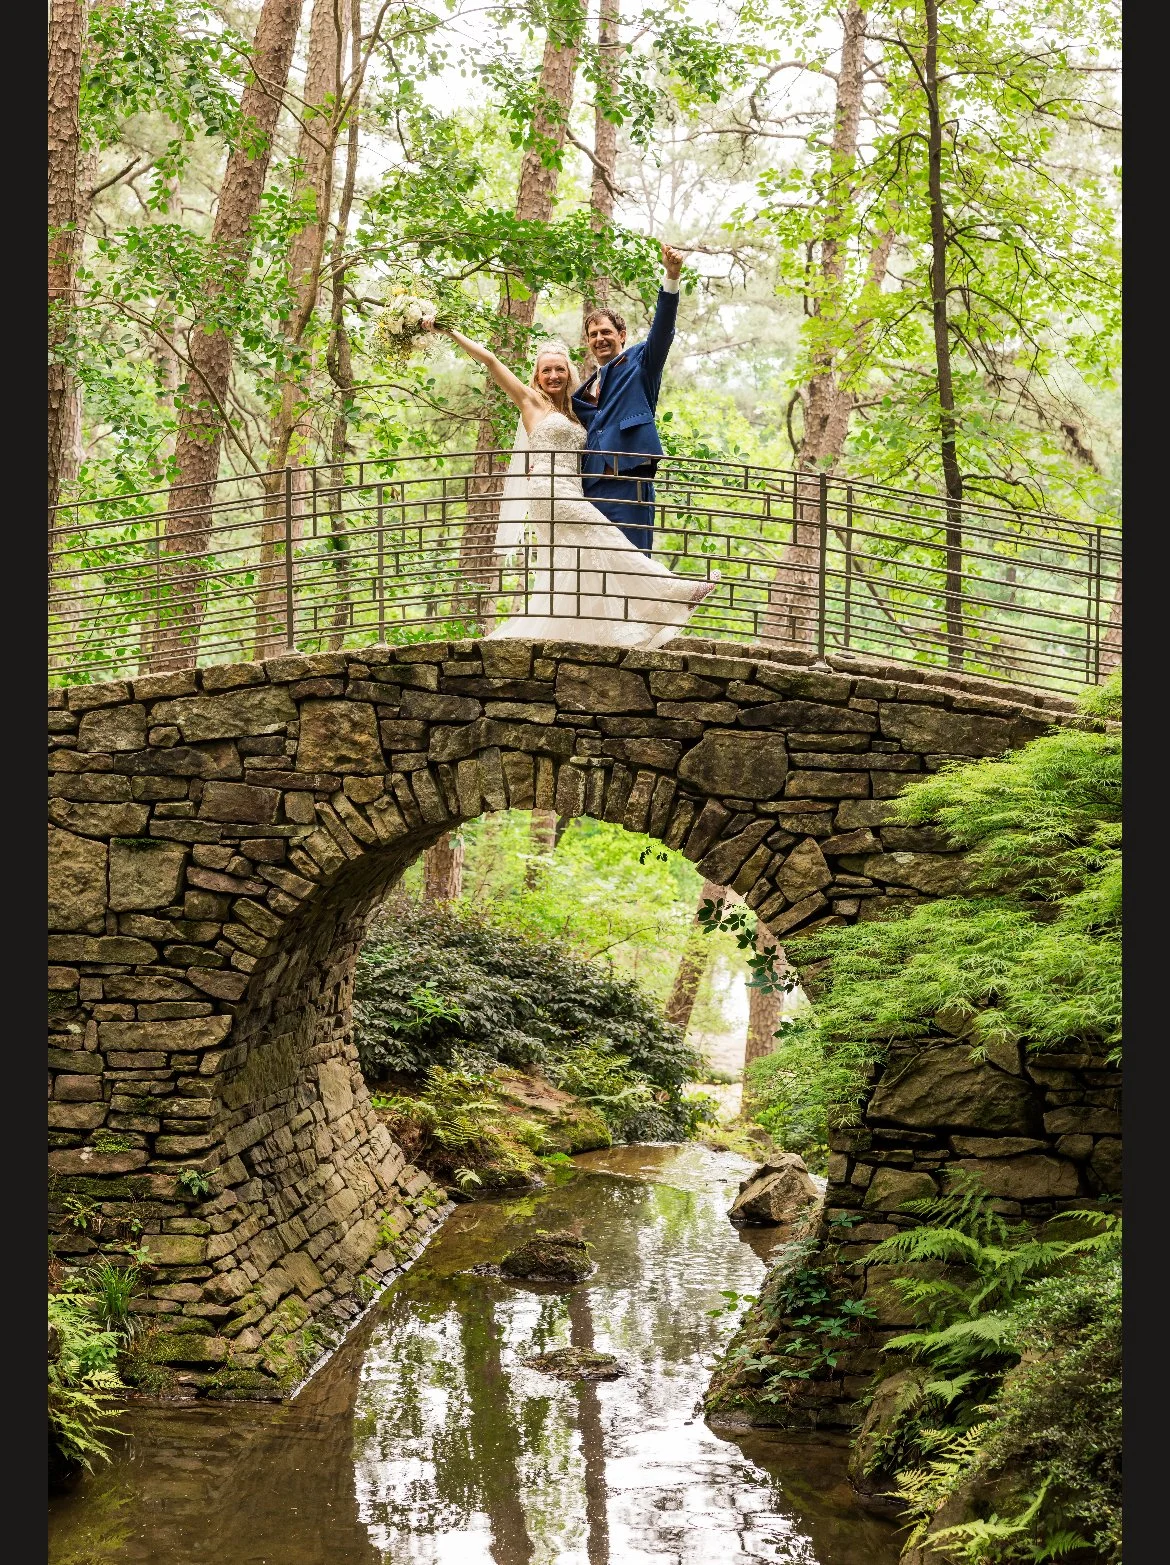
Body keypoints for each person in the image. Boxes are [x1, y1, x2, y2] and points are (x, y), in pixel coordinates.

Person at [427, 323, 714, 648]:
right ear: (537, 376)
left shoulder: (576, 411)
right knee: (606, 537)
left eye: (559, 369)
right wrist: (449, 330)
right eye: (546, 370)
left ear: (568, 373)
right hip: (550, 493)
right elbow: (491, 361)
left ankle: (583, 633)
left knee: (573, 566)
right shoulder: (530, 403)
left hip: (572, 489)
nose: (553, 376)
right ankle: (675, 591)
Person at [570, 242, 685, 554]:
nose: (599, 339)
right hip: (590, 489)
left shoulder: (641, 363)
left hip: (628, 484)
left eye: (606, 332)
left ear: (621, 335)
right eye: (593, 335)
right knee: (596, 572)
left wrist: (671, 277)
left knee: (635, 568)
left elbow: (662, 330)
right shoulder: (584, 388)